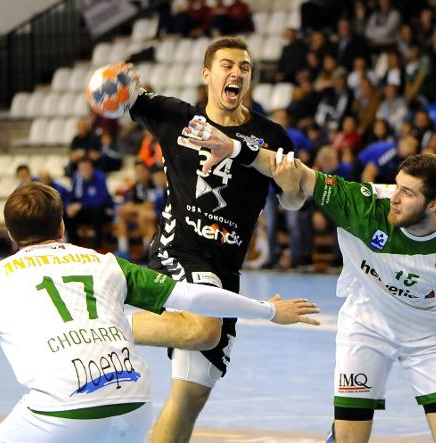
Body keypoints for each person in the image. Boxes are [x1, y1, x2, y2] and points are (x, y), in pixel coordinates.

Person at [194, 128, 436, 442]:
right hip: (365, 326)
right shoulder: (366, 206)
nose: (394, 198)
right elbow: (298, 173)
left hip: (429, 337)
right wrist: (237, 150)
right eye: (396, 186)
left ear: (435, 204)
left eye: (408, 193)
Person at [0, 183, 319, 443]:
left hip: (63, 411)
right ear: (62, 226)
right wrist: (269, 310)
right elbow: (192, 296)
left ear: (10, 236)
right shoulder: (104, 263)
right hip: (136, 406)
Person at [120, 37, 306, 442]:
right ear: (207, 74)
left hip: (224, 269)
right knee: (205, 329)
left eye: (244, 67)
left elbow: (293, 200)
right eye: (226, 65)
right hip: (179, 251)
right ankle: (107, 323)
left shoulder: (270, 136)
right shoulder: (177, 117)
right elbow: (125, 98)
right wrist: (121, 83)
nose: (236, 72)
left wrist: (289, 183)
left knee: (188, 399)